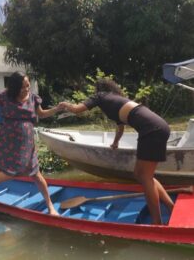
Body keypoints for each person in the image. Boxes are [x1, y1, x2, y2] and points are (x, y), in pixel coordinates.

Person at [59, 79, 174, 224]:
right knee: (142, 175)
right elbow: (120, 127)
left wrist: (65, 105)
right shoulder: (117, 101)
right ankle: (170, 206)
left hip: (151, 130)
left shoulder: (100, 96)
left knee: (144, 177)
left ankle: (157, 223)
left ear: (99, 90)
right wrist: (115, 142)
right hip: (159, 127)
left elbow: (76, 109)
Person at [0, 71, 62, 215]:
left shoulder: (33, 98)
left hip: (27, 142)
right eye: (22, 86)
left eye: (28, 85)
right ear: (14, 87)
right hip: (10, 140)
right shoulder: (5, 96)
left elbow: (41, 114)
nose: (26, 89)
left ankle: (50, 206)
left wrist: (57, 109)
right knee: (11, 171)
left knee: (35, 173)